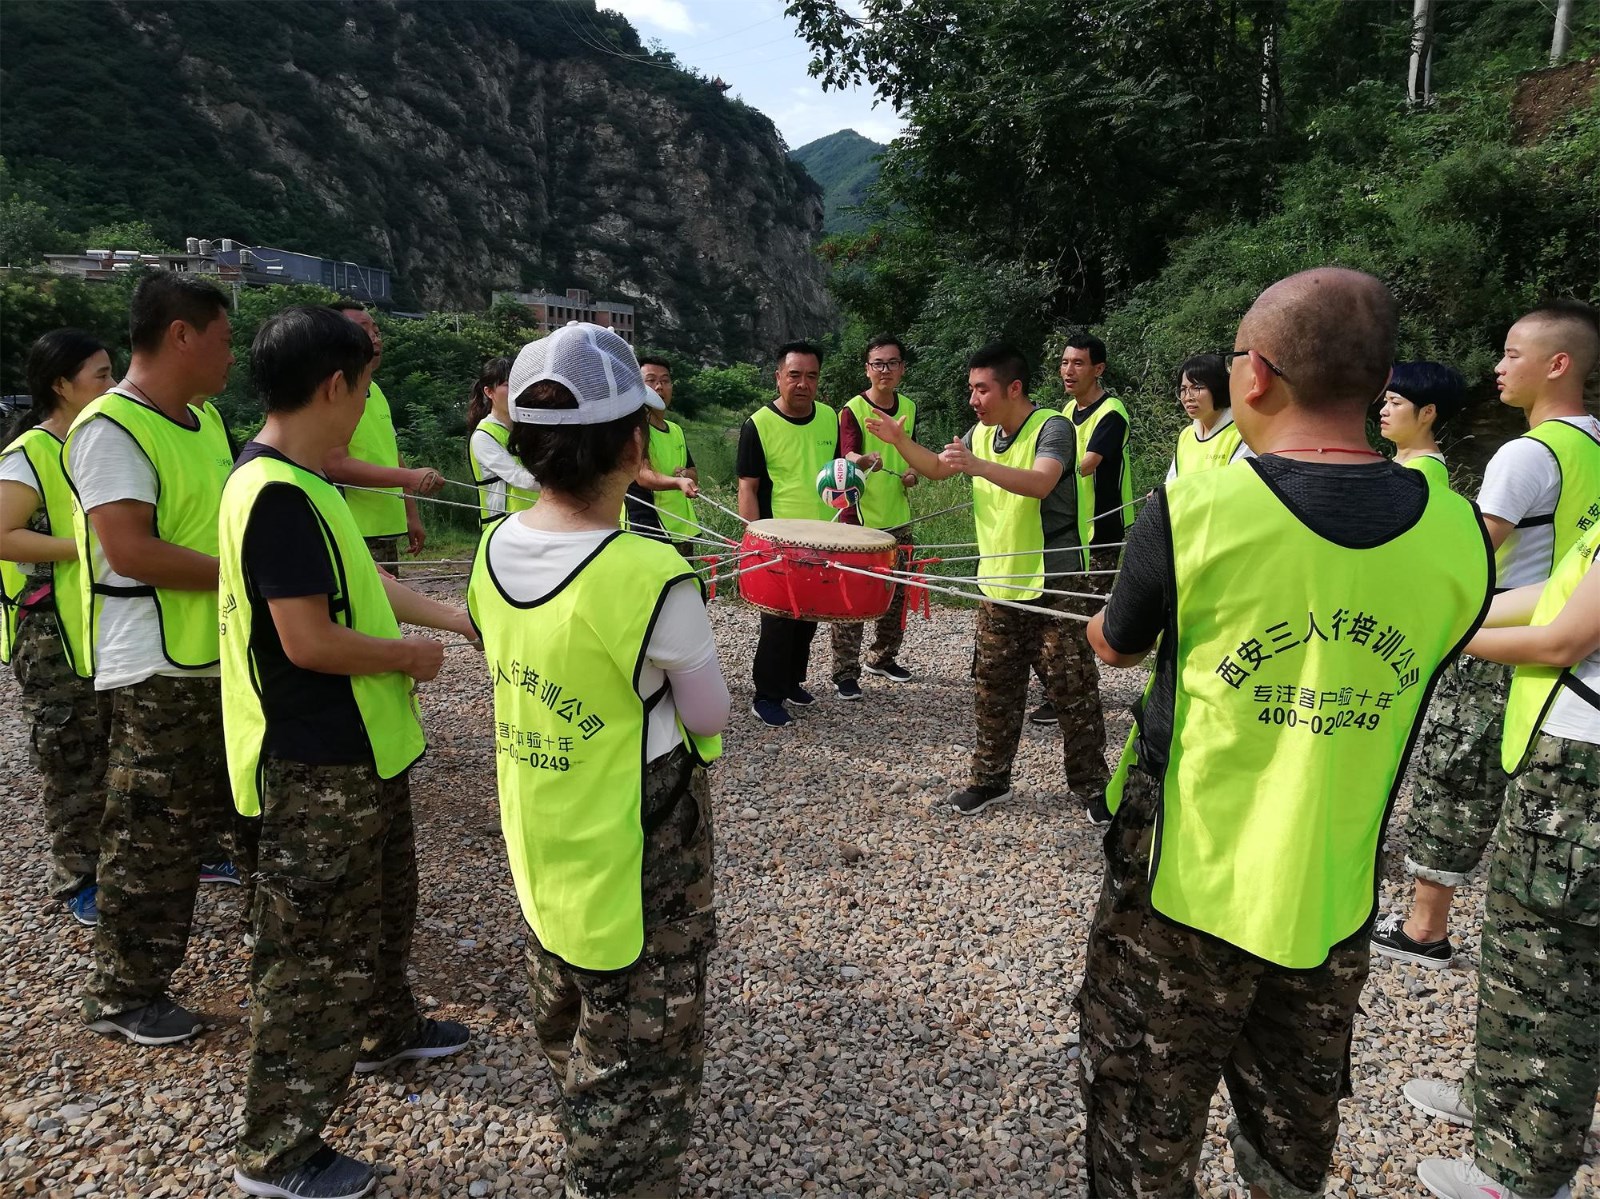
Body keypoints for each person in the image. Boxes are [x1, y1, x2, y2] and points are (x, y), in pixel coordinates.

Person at [1078, 268, 1493, 1199]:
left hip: (1182, 881)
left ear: (1255, 375)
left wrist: (1103, 626)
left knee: (1144, 1117)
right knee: (1292, 1136)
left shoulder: (1194, 508)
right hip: (1333, 887)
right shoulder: (1459, 533)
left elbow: (1116, 643)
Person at [466, 322, 728, 1199]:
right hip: (641, 826)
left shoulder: (491, 549)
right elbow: (709, 712)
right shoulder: (650, 572)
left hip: (542, 819)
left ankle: (583, 1114)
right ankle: (614, 1172)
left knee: (564, 985)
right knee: (646, 1028)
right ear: (630, 446)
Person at [220, 305, 474, 1199]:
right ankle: (278, 1151)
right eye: (364, 387)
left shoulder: (301, 479)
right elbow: (309, 640)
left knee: (382, 910)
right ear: (336, 386)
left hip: (364, 750)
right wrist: (409, 657)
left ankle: (385, 1029)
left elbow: (366, 583)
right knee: (312, 958)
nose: (366, 403)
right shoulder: (277, 496)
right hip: (313, 761)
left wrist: (458, 619)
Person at [1372, 301, 1600, 969]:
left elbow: (1474, 554)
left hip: (1500, 632)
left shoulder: (1526, 454)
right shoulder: (1593, 443)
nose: (1497, 367)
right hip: (1563, 639)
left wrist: (1428, 615)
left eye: (1511, 354)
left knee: (1453, 777)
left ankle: (1425, 927)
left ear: (1557, 364)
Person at [63, 269, 251, 1045]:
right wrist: (250, 576)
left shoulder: (204, 420)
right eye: (224, 338)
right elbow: (131, 549)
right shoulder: (112, 427)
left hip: (216, 649)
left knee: (225, 821)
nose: (232, 355)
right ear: (181, 335)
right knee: (151, 833)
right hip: (155, 665)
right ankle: (123, 993)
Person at [1405, 521, 1599, 1199]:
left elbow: (1561, 640)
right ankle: (1497, 1103)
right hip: (1561, 773)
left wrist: (1442, 634)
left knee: (1553, 978)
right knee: (1521, 955)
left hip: (1581, 784)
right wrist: (1458, 609)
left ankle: (1519, 1173)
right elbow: (1559, 594)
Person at [866, 343, 1110, 820]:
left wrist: (978, 466)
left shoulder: (1052, 427)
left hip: (1053, 584)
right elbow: (938, 468)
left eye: (982, 390)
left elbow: (1041, 482)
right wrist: (899, 440)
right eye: (971, 389)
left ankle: (1094, 787)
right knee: (993, 690)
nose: (973, 400)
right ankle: (989, 780)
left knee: (1073, 691)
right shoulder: (981, 433)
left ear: (1013, 388)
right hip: (998, 585)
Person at [0, 330, 114, 925]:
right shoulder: (31, 453)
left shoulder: (100, 442)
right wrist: (85, 547)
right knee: (70, 754)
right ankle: (78, 878)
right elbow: (4, 534)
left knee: (116, 746)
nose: (112, 385)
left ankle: (125, 862)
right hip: (49, 631)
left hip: (100, 621)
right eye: (101, 375)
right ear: (61, 385)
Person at [736, 341, 839, 728]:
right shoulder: (758, 424)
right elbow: (748, 487)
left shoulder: (829, 417)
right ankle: (766, 695)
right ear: (778, 377)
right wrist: (754, 541)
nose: (802, 384)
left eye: (811, 376)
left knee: (810, 614)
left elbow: (835, 472)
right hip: (777, 542)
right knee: (779, 620)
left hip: (821, 537)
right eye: (794, 375)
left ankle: (793, 681)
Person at [1031, 333, 1128, 725]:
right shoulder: (1067, 411)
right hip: (1072, 530)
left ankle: (1071, 697)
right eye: (1064, 362)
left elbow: (1085, 464)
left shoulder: (1112, 413)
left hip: (1101, 531)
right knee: (1062, 613)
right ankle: (1064, 689)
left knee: (1079, 617)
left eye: (1078, 363)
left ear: (1098, 369)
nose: (1068, 371)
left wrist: (1036, 475)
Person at [830, 334, 920, 699]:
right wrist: (863, 460)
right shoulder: (853, 408)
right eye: (878, 364)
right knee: (852, 595)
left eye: (892, 363)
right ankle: (844, 671)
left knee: (897, 593)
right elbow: (847, 454)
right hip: (859, 517)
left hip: (899, 515)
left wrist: (912, 472)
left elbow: (911, 452)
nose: (885, 370)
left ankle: (882, 657)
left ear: (902, 368)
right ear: (867, 369)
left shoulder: (909, 407)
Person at [322, 302, 444, 568]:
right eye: (363, 329)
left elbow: (392, 453)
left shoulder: (374, 391)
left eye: (376, 331)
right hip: (353, 529)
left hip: (386, 527)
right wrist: (410, 477)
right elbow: (334, 466)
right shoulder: (331, 394)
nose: (374, 338)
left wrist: (411, 514)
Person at [622, 356, 702, 555]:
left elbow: (693, 473)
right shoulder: (635, 428)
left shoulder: (676, 430)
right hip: (648, 527)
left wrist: (686, 475)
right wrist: (678, 482)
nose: (659, 387)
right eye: (651, 380)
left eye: (665, 381)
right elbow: (642, 475)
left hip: (681, 528)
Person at [467, 355, 539, 524]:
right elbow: (519, 478)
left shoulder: (527, 427)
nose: (515, 391)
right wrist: (564, 488)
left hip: (534, 522)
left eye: (517, 383)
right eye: (507, 385)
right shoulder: (483, 436)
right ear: (489, 392)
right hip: (502, 527)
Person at [1377, 360, 1468, 490]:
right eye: (1385, 402)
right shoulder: (1409, 465)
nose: (1383, 411)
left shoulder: (1421, 472)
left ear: (1427, 412)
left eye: (1395, 403)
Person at [1165, 351, 1251, 479]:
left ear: (1218, 387)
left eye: (1197, 388)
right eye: (1183, 390)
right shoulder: (1186, 435)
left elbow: (1236, 485)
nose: (1188, 397)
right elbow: (1172, 482)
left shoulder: (1243, 434)